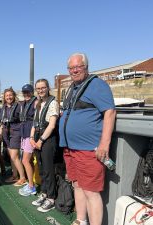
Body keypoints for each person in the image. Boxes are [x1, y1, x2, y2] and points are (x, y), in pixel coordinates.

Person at [59, 53, 116, 225]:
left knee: (91, 191)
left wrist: (104, 144)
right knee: (77, 184)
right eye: (71, 68)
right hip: (70, 148)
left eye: (78, 67)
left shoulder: (97, 85)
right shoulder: (73, 88)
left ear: (86, 67)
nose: (74, 71)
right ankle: (81, 220)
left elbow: (110, 112)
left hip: (88, 148)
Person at [30, 79, 59, 212]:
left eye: (43, 88)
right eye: (38, 88)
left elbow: (52, 125)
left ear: (48, 88)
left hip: (47, 139)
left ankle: (51, 198)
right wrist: (31, 138)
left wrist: (41, 140)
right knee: (41, 168)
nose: (40, 90)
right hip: (37, 138)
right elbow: (34, 124)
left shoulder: (53, 103)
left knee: (48, 169)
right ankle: (45, 193)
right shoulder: (38, 104)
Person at [0, 88, 26, 186]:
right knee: (12, 157)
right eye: (7, 95)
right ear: (4, 97)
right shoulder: (4, 108)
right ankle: (15, 175)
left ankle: (22, 177)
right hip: (6, 133)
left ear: (14, 96)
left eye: (10, 95)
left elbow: (22, 120)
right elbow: (2, 122)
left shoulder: (19, 106)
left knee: (15, 156)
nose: (9, 97)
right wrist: (0, 133)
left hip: (15, 132)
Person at [18, 84, 38, 196]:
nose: (26, 94)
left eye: (28, 92)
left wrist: (33, 137)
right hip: (24, 134)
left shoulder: (36, 103)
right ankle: (31, 182)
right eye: (24, 92)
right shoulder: (24, 103)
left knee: (25, 160)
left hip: (31, 135)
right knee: (28, 161)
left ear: (32, 92)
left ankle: (31, 186)